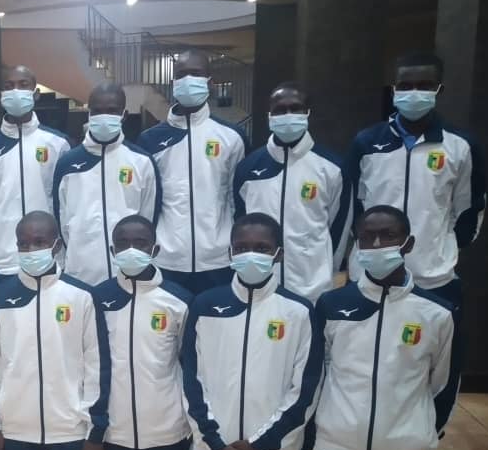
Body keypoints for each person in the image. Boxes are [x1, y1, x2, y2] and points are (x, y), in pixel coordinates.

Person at [303, 206, 457, 450]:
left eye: (388, 235)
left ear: (408, 243)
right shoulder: (332, 305)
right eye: (367, 237)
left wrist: (421, 434)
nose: (376, 244)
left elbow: (443, 384)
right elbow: (317, 375)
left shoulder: (437, 313)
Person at [346, 51, 484, 428]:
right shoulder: (367, 142)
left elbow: (469, 209)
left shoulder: (460, 146)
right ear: (394, 89)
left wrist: (439, 248)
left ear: (439, 89)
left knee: (429, 365)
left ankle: (425, 435)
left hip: (432, 277)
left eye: (424, 85)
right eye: (405, 85)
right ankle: (364, 435)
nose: (413, 92)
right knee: (367, 362)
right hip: (370, 275)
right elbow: (352, 206)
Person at [181, 213, 322, 450]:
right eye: (242, 247)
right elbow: (190, 380)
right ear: (230, 252)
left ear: (278, 254)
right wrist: (215, 444)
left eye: (262, 248)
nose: (251, 255)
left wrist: (259, 445)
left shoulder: (299, 312)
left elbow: (305, 392)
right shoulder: (205, 305)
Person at [0, 211, 110, 450]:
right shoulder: (0, 297)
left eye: (39, 242)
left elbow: (97, 365)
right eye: (23, 244)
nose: (30, 250)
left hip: (69, 425)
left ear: (57, 245)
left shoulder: (82, 295)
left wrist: (94, 434)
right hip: (16, 426)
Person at [92, 215, 192, 450]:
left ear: (155, 249)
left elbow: (189, 364)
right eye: (123, 243)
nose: (131, 249)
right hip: (113, 431)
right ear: (112, 250)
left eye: (140, 243)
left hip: (165, 429)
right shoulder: (98, 298)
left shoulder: (179, 300)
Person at [137, 50, 249, 295]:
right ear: (174, 82)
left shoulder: (232, 137)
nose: (188, 79)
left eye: (196, 73)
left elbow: (238, 198)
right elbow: (147, 201)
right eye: (181, 74)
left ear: (210, 82)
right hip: (167, 258)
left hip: (218, 258)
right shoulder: (150, 139)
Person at [234, 82, 348, 302]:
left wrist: (327, 271)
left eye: (295, 108)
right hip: (260, 286)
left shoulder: (332, 167)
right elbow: (239, 221)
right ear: (269, 115)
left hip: (312, 287)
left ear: (308, 113)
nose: (288, 115)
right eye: (279, 110)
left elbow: (339, 228)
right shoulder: (248, 168)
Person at [54, 83, 159, 285]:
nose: (104, 116)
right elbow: (61, 218)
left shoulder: (141, 161)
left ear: (124, 115)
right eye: (97, 111)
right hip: (80, 272)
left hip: (128, 273)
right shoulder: (67, 164)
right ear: (89, 113)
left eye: (112, 111)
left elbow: (149, 218)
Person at [0, 66, 71, 275]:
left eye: (23, 85)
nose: (15, 91)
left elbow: (64, 202)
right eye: (9, 86)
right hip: (3, 259)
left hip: (48, 256)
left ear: (36, 93)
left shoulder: (57, 143)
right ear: (1, 95)